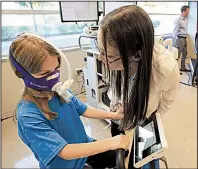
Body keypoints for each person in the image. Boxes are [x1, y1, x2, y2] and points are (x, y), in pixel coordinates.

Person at [9, 33, 130, 169]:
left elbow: (83, 109)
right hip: (66, 164)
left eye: (56, 69)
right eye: (44, 73)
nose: (54, 77)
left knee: (124, 154)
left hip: (84, 148)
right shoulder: (28, 115)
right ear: (21, 73)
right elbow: (64, 152)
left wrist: (114, 116)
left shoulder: (60, 92)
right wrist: (110, 143)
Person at [96, 5, 180, 168]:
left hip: (146, 115)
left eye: (109, 55)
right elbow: (115, 86)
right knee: (119, 147)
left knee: (142, 158)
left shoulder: (165, 68)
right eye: (100, 50)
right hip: (119, 110)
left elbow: (168, 102)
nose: (101, 58)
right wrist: (117, 106)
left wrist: (148, 118)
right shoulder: (117, 59)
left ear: (137, 55)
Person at [173, 5, 191, 72]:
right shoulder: (178, 20)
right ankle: (174, 70)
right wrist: (175, 42)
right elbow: (175, 31)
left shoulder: (186, 20)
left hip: (184, 38)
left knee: (185, 54)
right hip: (180, 39)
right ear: (183, 11)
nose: (188, 12)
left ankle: (183, 68)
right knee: (177, 55)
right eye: (187, 11)